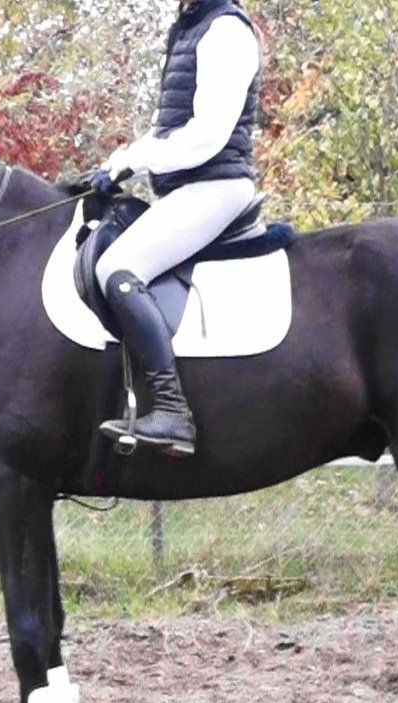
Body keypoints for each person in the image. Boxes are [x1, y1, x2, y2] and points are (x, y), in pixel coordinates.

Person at [89, 0, 262, 457]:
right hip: (190, 188)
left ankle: (171, 409)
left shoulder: (225, 29)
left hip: (216, 186)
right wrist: (115, 163)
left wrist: (135, 161)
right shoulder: (189, 28)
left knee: (118, 268)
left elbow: (208, 135)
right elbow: (167, 130)